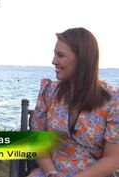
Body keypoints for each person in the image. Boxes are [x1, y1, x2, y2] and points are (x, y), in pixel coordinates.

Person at [28, 27, 119, 177]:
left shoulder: (112, 101)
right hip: (52, 171)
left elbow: (113, 159)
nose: (53, 61)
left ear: (81, 59)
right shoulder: (49, 92)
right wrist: (51, 173)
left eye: (60, 55)